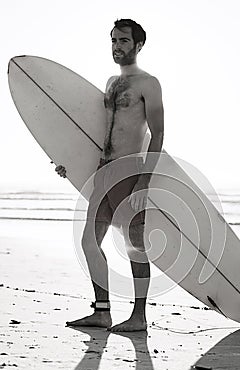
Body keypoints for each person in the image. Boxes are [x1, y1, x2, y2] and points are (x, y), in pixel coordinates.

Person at [56, 19, 164, 331]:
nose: (117, 46)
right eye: (114, 40)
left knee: (135, 246)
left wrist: (145, 180)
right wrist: (71, 164)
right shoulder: (110, 83)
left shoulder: (149, 83)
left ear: (138, 45)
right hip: (103, 172)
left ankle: (139, 317)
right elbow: (98, 132)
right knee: (89, 240)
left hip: (129, 174)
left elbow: (157, 135)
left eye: (124, 41)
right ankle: (102, 311)